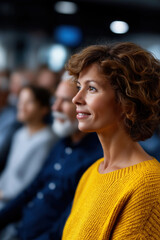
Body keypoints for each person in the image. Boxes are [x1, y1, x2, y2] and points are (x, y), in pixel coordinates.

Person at [62, 42, 160, 239]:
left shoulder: (149, 185)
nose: (76, 98)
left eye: (91, 88)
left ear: (128, 103)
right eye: (79, 86)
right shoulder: (92, 172)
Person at [0, 72, 103, 240]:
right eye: (56, 100)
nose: (55, 108)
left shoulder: (96, 157)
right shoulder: (61, 144)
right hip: (22, 230)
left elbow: (68, 222)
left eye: (65, 101)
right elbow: (32, 189)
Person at [0, 85, 57, 209]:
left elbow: (30, 184)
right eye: (20, 101)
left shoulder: (47, 139)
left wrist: (3, 194)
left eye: (28, 102)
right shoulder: (19, 134)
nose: (22, 107)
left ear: (44, 109)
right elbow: (8, 174)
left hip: (15, 205)